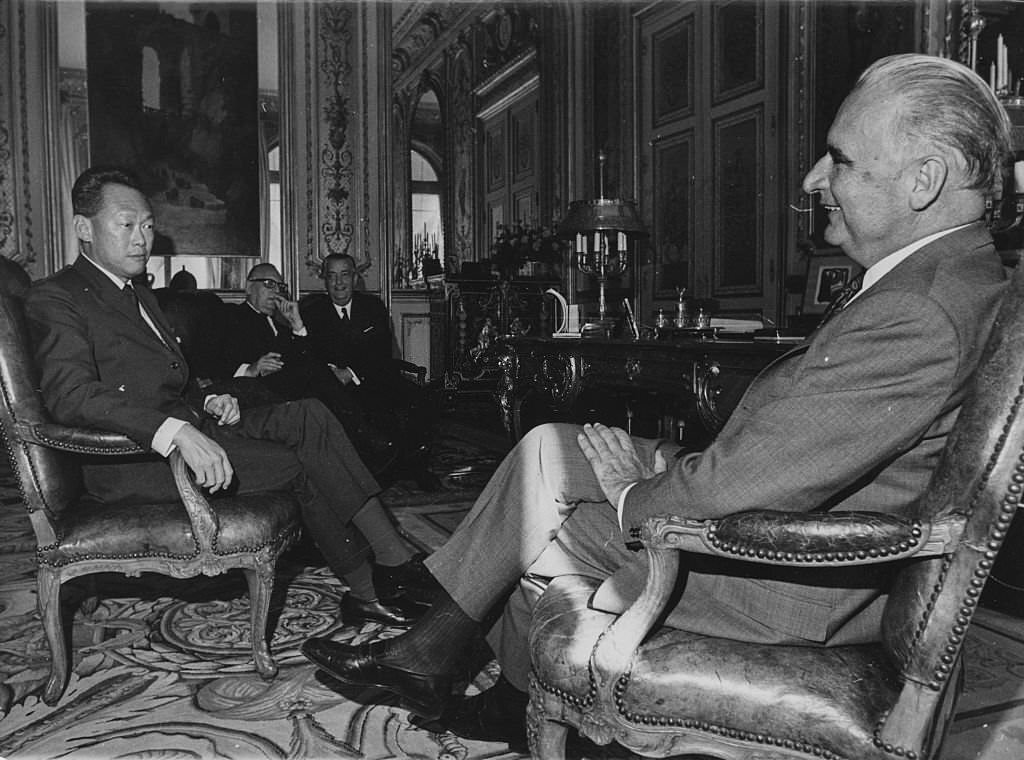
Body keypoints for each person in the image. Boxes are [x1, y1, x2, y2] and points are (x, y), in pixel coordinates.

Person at [300, 53, 1014, 744]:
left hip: (790, 579)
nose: (813, 177)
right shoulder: (952, 279)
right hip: (793, 513)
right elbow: (798, 439)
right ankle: (446, 631)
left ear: (925, 180)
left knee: (544, 524)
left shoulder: (920, 310)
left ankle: (472, 666)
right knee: (554, 446)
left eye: (843, 159)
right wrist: (655, 473)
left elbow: (744, 480)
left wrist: (631, 497)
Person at [25, 166, 439, 629]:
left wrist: (205, 401)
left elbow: (164, 379)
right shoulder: (56, 297)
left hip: (190, 424)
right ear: (84, 228)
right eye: (126, 224)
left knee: (310, 416)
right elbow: (70, 395)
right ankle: (369, 585)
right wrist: (176, 430)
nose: (142, 237)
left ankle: (396, 558)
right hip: (131, 460)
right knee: (297, 463)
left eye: (147, 225)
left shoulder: (138, 294)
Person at [198, 262, 396, 474]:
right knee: (314, 373)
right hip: (249, 390)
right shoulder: (228, 315)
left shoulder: (280, 326)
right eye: (268, 284)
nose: (275, 292)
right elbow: (207, 362)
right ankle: (367, 439)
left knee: (316, 373)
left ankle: (357, 457)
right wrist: (251, 368)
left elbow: (304, 357)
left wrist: (297, 325)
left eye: (279, 287)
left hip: (284, 389)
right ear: (248, 287)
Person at [301, 253, 441, 490]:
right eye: (332, 276)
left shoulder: (373, 307)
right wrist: (334, 373)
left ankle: (416, 465)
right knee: (361, 411)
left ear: (355, 278)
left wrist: (353, 372)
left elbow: (381, 352)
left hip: (371, 377)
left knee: (419, 398)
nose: (339, 283)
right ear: (324, 280)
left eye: (345, 275)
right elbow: (308, 354)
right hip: (333, 386)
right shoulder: (312, 312)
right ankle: (377, 470)